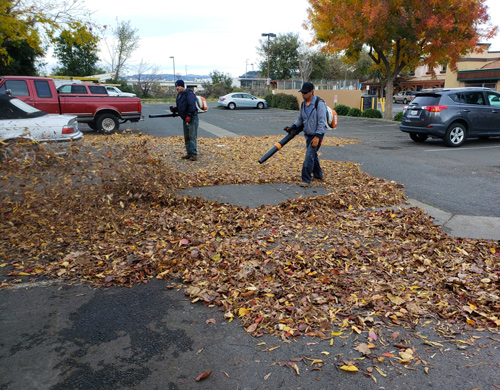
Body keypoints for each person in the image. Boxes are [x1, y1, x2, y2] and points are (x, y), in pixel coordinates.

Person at [284, 82, 327, 187]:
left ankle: (306, 179)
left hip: (317, 135)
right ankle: (318, 174)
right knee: (312, 155)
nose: (303, 95)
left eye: (305, 93)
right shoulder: (303, 104)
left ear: (311, 92)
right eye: (302, 93)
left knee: (309, 156)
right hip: (308, 134)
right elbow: (301, 119)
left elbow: (322, 121)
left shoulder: (319, 104)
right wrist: (293, 126)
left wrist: (317, 136)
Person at [170, 79, 199, 161]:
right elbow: (181, 107)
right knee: (186, 137)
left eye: (178, 86)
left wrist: (189, 115)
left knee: (192, 136)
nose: (177, 88)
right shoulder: (179, 95)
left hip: (192, 118)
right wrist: (174, 109)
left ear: (182, 86)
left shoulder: (189, 94)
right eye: (176, 86)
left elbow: (192, 106)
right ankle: (189, 153)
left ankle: (194, 154)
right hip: (185, 118)